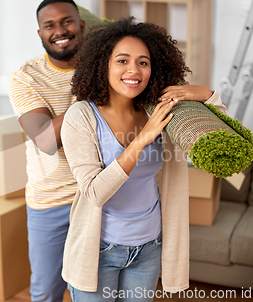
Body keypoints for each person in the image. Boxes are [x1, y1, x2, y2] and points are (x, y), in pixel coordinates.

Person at [60, 17, 228, 301]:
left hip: (149, 248)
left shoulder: (159, 111)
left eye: (143, 62)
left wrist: (206, 94)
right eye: (122, 61)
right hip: (99, 251)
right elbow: (94, 192)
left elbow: (222, 135)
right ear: (103, 65)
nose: (133, 71)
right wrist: (143, 139)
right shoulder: (81, 117)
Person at [8, 0, 85, 301]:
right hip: (50, 201)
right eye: (49, 25)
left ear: (80, 25)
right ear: (40, 33)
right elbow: (45, 140)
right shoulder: (25, 77)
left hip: (98, 194)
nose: (60, 30)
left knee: (91, 288)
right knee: (46, 291)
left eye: (67, 21)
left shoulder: (107, 64)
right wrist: (92, 94)